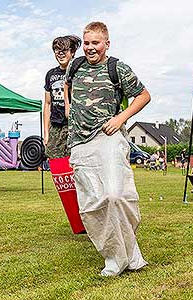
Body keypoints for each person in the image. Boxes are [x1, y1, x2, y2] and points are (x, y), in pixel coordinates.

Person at [64, 21, 151, 276]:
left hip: (108, 135)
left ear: (106, 44)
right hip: (79, 142)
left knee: (115, 195)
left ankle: (130, 251)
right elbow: (67, 85)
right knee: (93, 203)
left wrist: (120, 118)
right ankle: (115, 257)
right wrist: (70, 108)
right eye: (87, 43)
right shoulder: (75, 66)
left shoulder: (117, 68)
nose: (90, 48)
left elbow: (144, 95)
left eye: (95, 43)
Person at [43, 35, 82, 159]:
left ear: (73, 52)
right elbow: (47, 104)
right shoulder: (50, 74)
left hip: (74, 126)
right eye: (56, 50)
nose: (60, 54)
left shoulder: (79, 72)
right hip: (56, 126)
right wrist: (46, 132)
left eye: (64, 50)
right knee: (56, 165)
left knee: (76, 165)